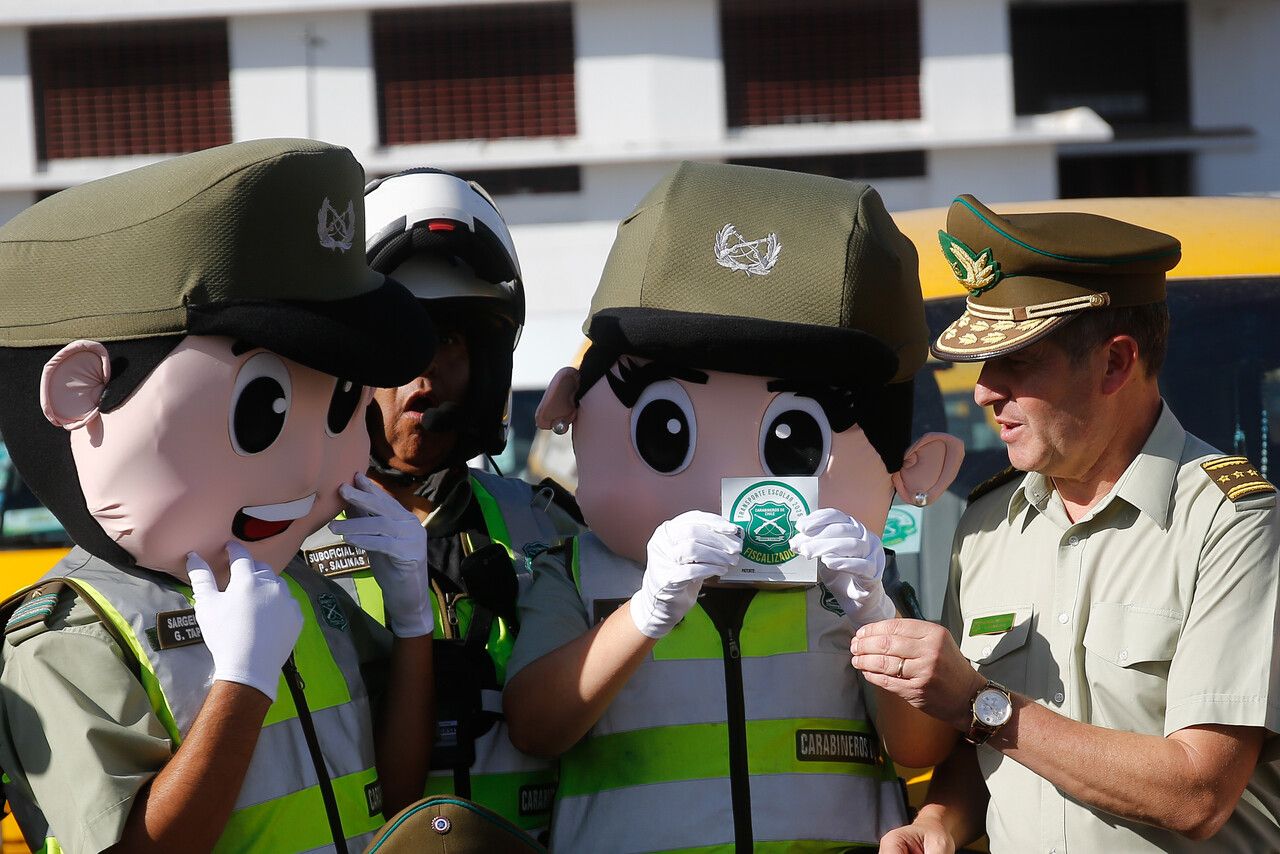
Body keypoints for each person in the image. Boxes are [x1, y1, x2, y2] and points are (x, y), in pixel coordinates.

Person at [502, 161, 964, 852]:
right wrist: (645, 613)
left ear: (915, 464)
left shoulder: (852, 579)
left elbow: (918, 749)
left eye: (795, 439)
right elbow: (534, 727)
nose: (728, 479)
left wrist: (878, 613)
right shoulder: (575, 572)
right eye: (665, 430)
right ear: (565, 407)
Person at [0, 139, 438, 854]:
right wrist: (241, 683)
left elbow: (395, 792)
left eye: (339, 409)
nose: (307, 464)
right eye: (263, 410)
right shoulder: (71, 636)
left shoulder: (296, 587)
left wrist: (414, 625)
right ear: (81, 391)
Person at [857, 194, 1280, 853]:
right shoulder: (987, 524)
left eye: (1019, 361)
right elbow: (984, 747)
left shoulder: (1232, 522)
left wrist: (979, 703)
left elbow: (1199, 793)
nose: (984, 390)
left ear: (1115, 361)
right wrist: (938, 823)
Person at [296, 168, 582, 838]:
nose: (423, 373)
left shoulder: (552, 527)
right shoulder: (284, 547)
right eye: (399, 344)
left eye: (450, 339)